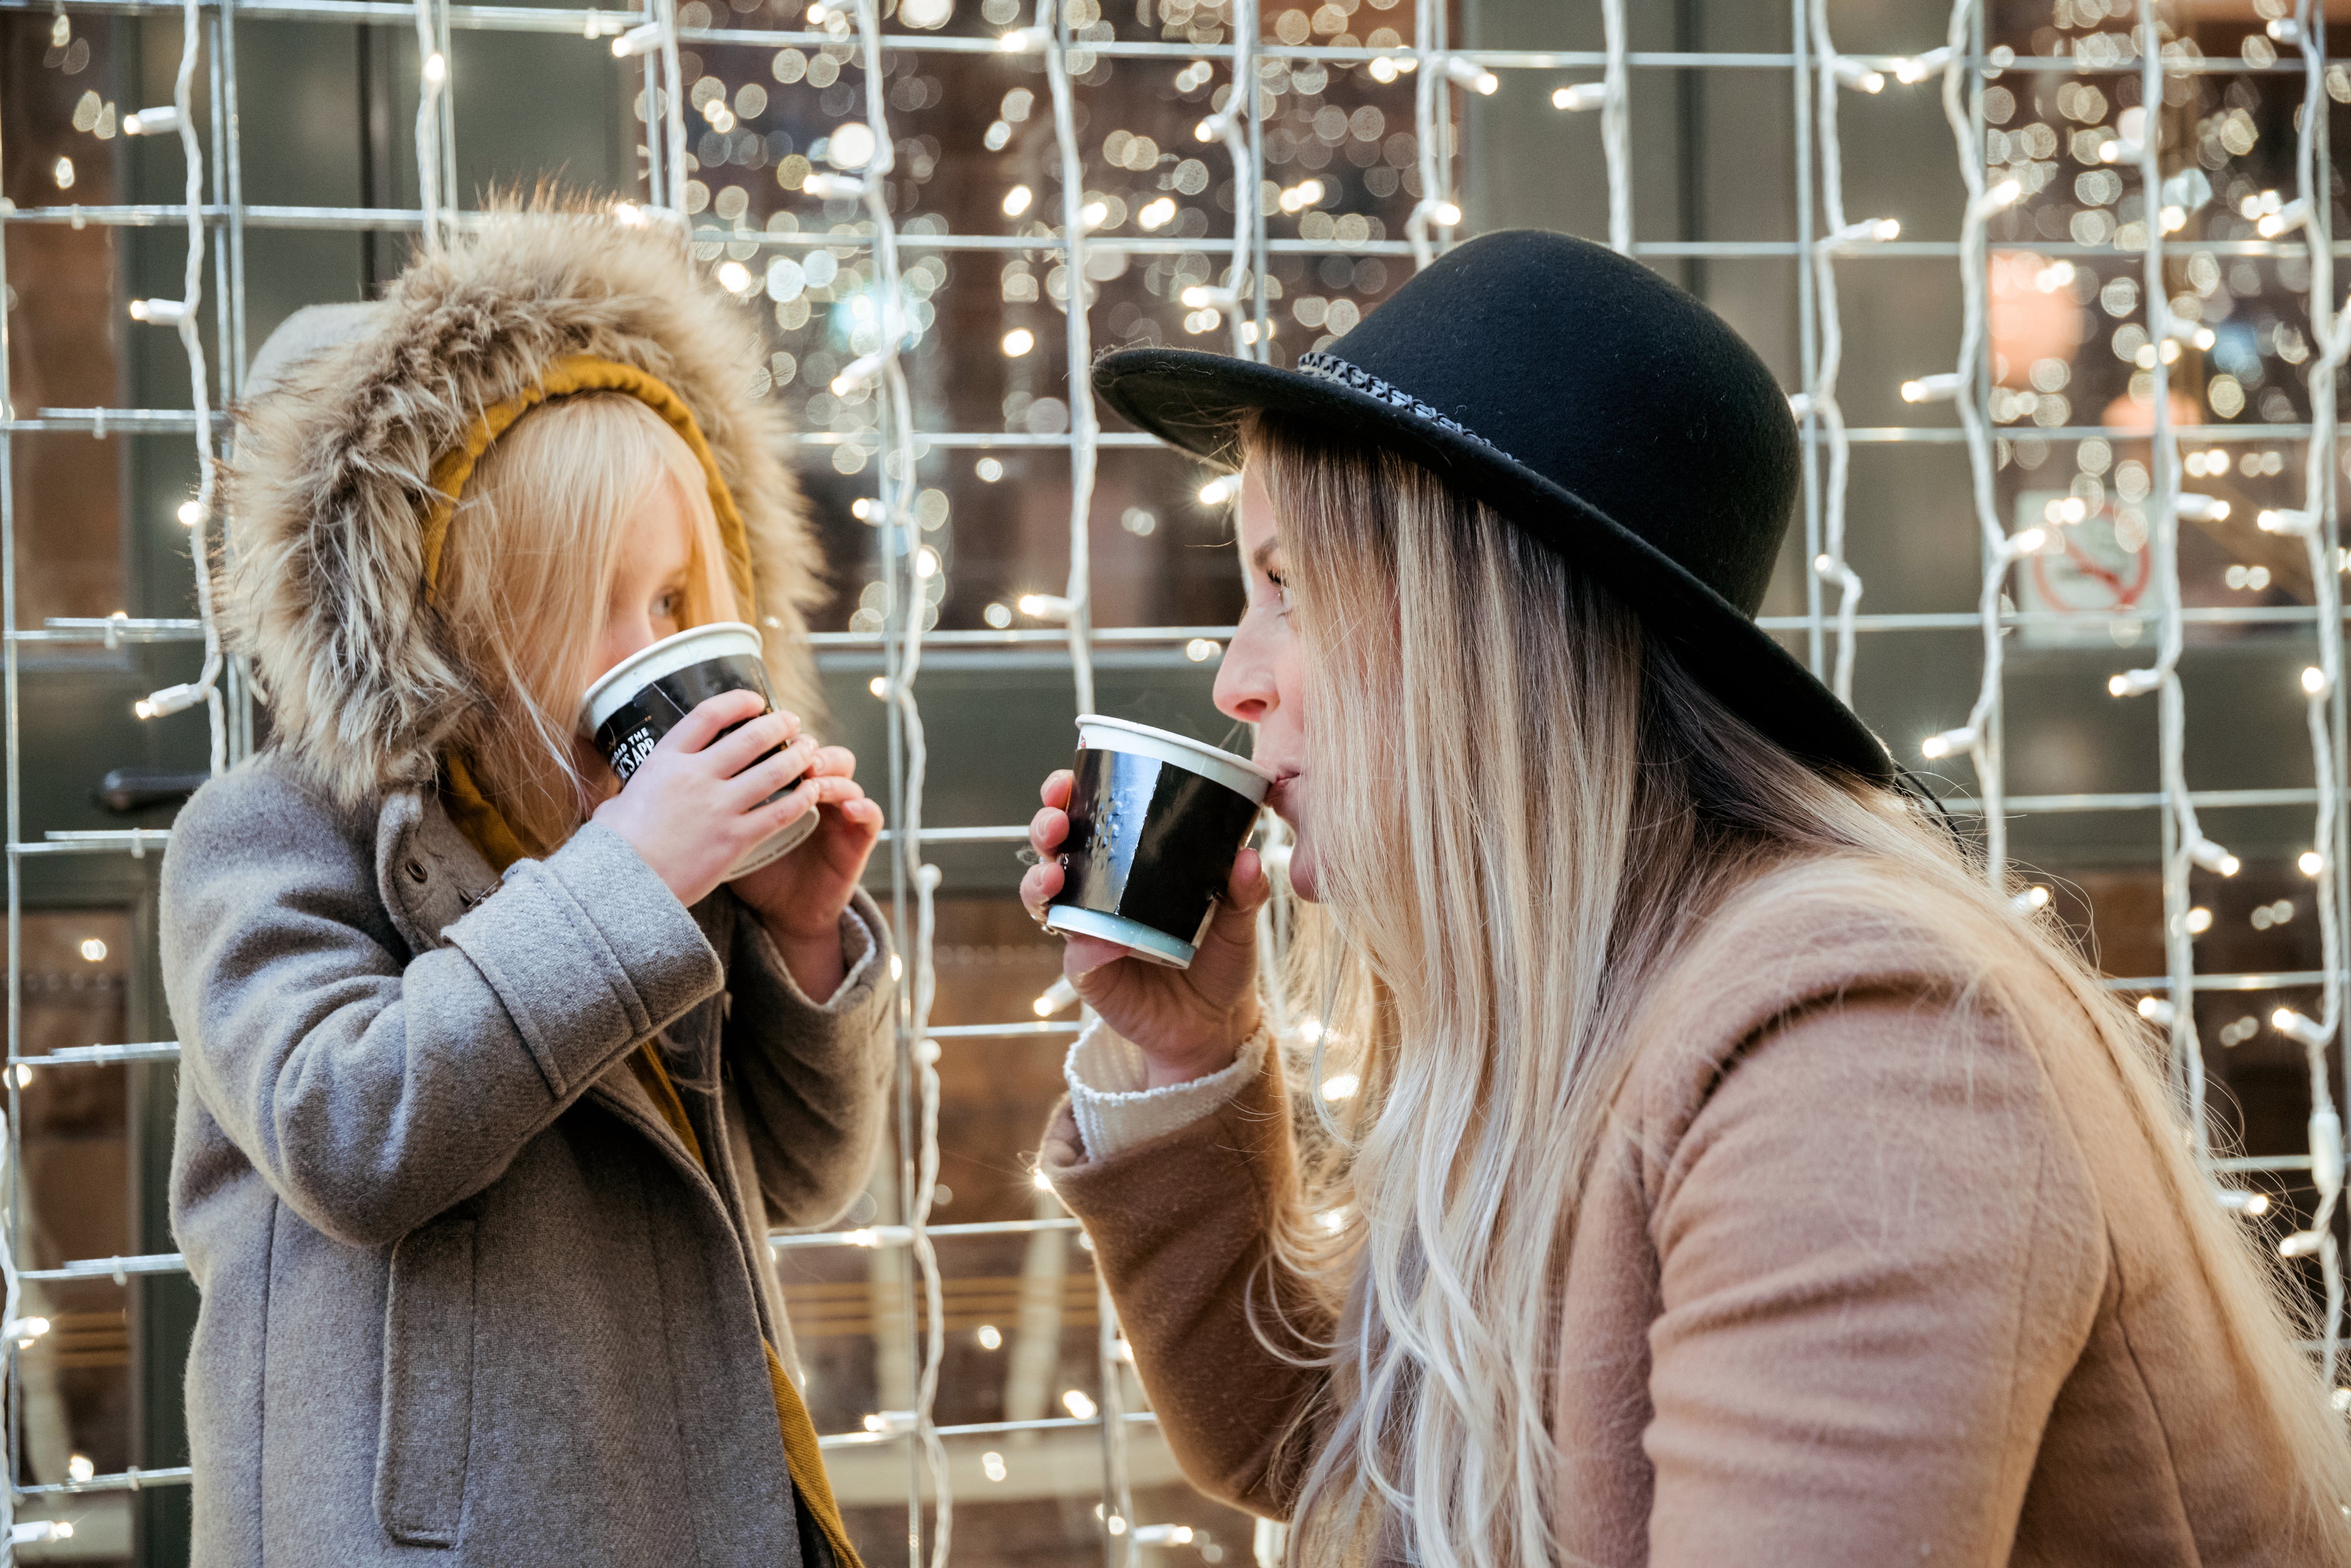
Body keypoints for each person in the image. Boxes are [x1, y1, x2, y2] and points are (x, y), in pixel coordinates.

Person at [1021, 230, 2351, 1566]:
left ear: (1486, 630)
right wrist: (1176, 1054)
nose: (1232, 682)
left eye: (1288, 590)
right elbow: (1337, 1454)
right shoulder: (1584, 994)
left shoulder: (1857, 1050)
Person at [160, 202, 891, 1567]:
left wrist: (798, 941)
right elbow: (349, 1134)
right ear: (451, 627)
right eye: (587, 605)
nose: (647, 647)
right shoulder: (267, 837)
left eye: (675, 602)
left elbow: (802, 1177)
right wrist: (626, 876)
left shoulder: (649, 859)